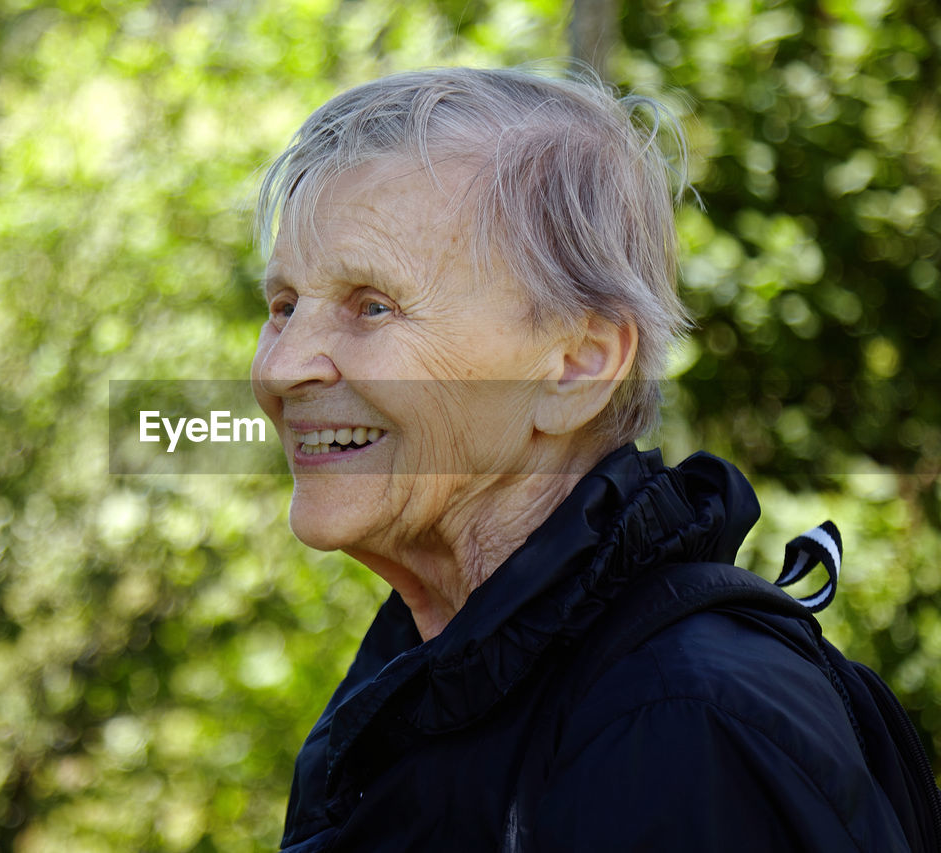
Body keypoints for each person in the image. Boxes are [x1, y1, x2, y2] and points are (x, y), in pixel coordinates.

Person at [249, 67, 918, 851]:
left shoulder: (679, 722)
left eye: (373, 305)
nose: (283, 367)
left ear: (577, 365)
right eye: (285, 306)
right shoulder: (427, 674)